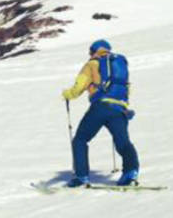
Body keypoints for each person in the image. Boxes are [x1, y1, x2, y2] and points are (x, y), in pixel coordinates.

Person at [60, 39, 140, 187]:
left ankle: (81, 177)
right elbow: (126, 89)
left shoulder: (92, 64)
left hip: (100, 107)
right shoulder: (119, 65)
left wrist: (67, 94)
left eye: (90, 51)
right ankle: (130, 172)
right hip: (119, 109)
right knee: (123, 142)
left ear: (94, 51)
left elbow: (79, 87)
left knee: (80, 140)